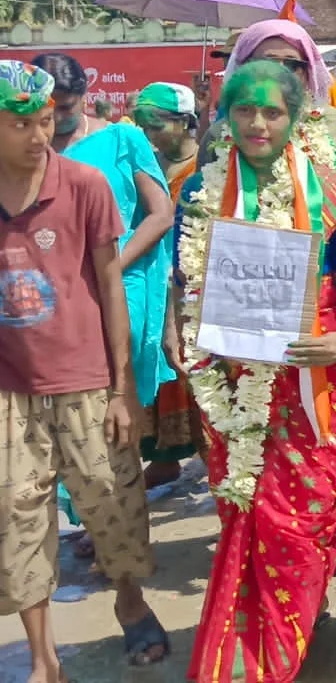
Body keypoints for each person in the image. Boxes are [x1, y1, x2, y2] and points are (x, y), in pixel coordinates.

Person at [173, 61, 336, 682]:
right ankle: (249, 649)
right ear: (225, 117)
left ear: (297, 117)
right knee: (246, 507)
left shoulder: (330, 188)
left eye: (273, 111)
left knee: (304, 513)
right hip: (229, 375)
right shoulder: (198, 190)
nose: (258, 123)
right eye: (245, 111)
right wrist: (179, 338)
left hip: (311, 373)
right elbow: (185, 281)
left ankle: (286, 641)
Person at [0, 60, 171, 679]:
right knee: (16, 517)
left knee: (111, 500)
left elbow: (107, 284)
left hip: (87, 379)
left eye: (45, 121)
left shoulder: (83, 185)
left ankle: (130, 602)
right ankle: (45, 658)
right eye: (21, 124)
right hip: (7, 389)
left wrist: (122, 389)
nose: (38, 136)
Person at [41, 53, 177, 509]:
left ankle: (111, 524)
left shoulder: (122, 139)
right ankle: (88, 516)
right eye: (51, 106)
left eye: (68, 103)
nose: (60, 115)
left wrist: (110, 268)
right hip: (50, 298)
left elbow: (160, 214)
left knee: (108, 413)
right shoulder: (26, 150)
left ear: (85, 96)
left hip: (121, 290)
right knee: (56, 416)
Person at [130, 81, 206, 482]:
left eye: (156, 123)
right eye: (142, 123)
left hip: (189, 285)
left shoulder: (205, 172)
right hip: (151, 283)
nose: (148, 133)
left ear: (186, 122)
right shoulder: (146, 166)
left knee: (196, 378)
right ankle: (164, 458)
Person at [201, 20, 336, 189]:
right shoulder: (219, 134)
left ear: (305, 73)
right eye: (268, 62)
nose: (280, 72)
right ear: (246, 67)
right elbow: (198, 209)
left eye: (291, 64)